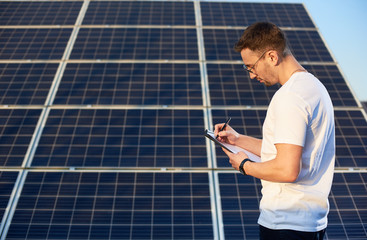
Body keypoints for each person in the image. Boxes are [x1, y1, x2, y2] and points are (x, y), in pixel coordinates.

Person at [214, 22, 335, 240]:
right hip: (309, 223)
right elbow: (286, 151)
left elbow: (287, 169)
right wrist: (238, 139)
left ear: (272, 56)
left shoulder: (290, 97)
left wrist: (244, 165)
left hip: (285, 225)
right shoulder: (314, 88)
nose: (251, 75)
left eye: (251, 66)